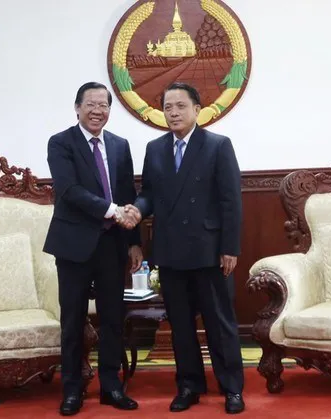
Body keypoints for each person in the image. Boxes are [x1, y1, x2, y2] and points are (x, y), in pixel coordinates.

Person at [121, 82, 245, 414]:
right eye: (168, 107)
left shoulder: (217, 146)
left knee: (220, 324)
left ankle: (232, 387)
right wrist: (138, 208)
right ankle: (189, 385)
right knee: (180, 326)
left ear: (197, 109)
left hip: (210, 251)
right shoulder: (155, 148)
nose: (173, 112)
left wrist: (230, 248)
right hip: (171, 251)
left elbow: (230, 201)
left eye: (180, 106)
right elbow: (149, 193)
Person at [43, 82, 143, 416]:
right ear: (77, 107)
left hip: (112, 246)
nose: (97, 110)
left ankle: (111, 387)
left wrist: (134, 242)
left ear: (109, 111)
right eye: (91, 104)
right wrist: (114, 211)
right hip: (73, 246)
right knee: (72, 320)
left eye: (103, 105)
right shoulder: (61, 143)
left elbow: (128, 191)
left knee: (113, 319)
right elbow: (69, 190)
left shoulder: (119, 145)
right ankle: (72, 390)